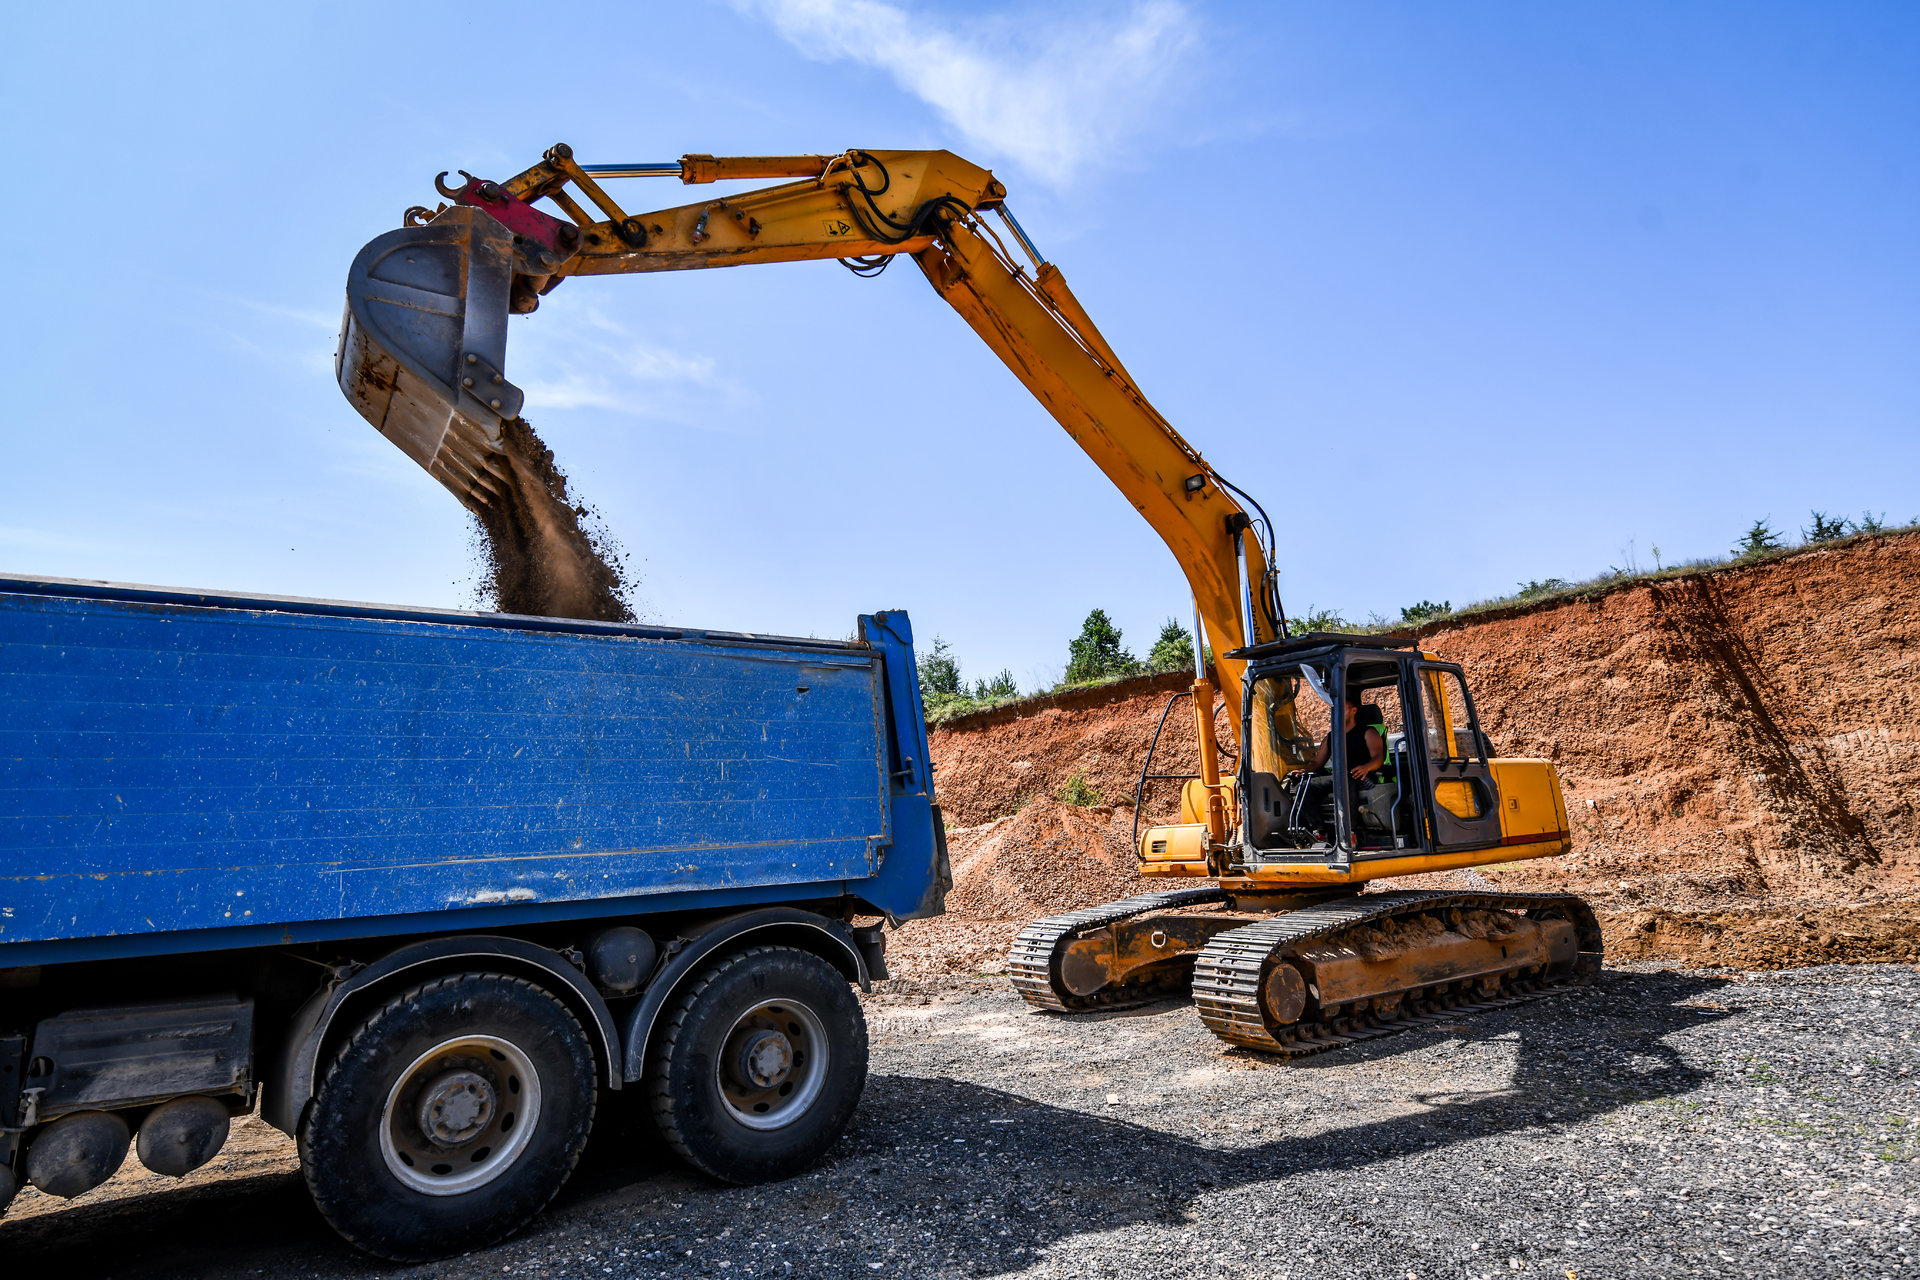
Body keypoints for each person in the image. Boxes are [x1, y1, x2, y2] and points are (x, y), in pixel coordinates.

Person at [1296, 689, 1386, 842]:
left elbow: (1378, 757)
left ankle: (1349, 832)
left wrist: (1366, 767)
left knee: (1345, 780)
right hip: (1337, 777)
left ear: (1353, 711)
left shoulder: (1367, 732)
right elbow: (1317, 762)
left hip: (1359, 776)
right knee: (1303, 787)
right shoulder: (1331, 737)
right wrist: (1303, 771)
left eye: (1342, 709)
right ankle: (1318, 831)